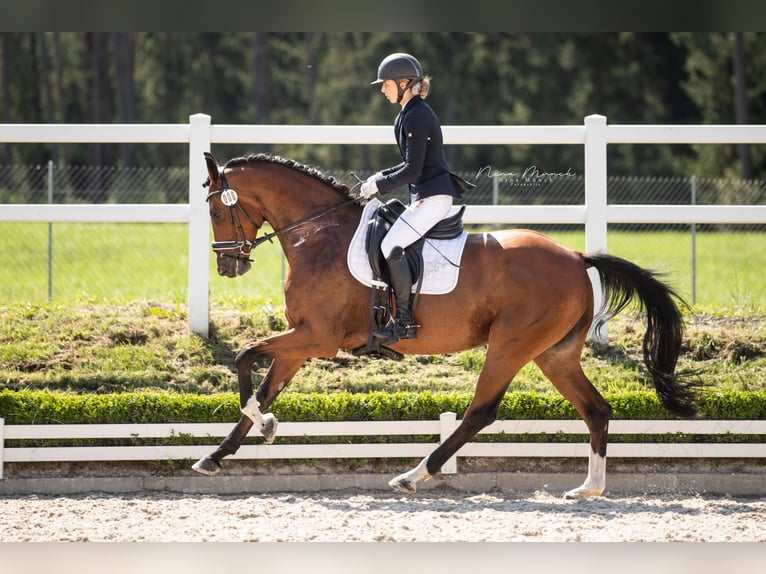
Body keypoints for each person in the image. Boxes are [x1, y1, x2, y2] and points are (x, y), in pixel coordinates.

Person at [359, 52, 466, 345]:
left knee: (391, 244)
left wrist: (378, 184)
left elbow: (412, 169)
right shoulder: (409, 113)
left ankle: (405, 321)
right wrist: (376, 178)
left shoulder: (417, 115)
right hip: (425, 194)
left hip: (434, 197)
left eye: (386, 84)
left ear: (404, 82)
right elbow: (408, 164)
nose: (382, 89)